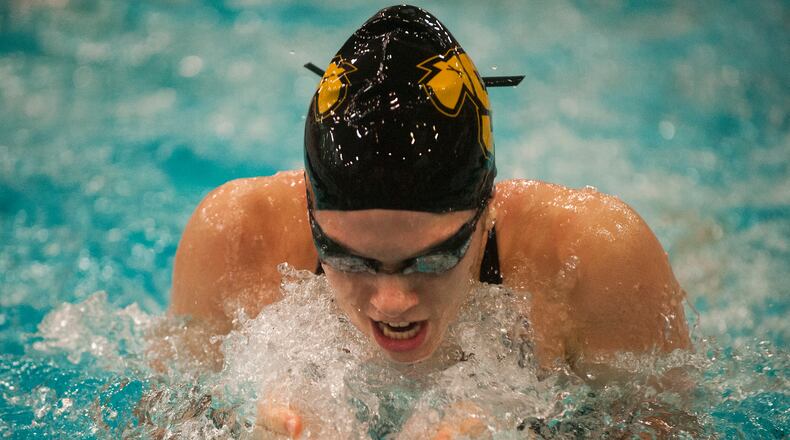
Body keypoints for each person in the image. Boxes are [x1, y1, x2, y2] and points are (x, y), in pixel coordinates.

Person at [168, 5, 690, 437]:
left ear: (486, 211)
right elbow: (160, 418)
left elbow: (673, 424)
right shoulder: (234, 237)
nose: (392, 301)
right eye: (347, 258)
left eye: (433, 258)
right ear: (310, 210)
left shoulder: (594, 260)